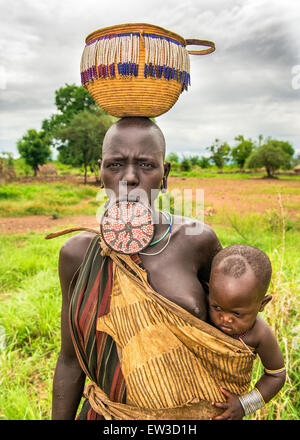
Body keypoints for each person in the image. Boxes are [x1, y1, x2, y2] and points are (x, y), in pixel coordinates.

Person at [51, 117, 223, 420]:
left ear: (164, 174)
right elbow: (69, 361)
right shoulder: (77, 254)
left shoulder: (198, 242)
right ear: (100, 171)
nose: (129, 178)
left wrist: (249, 400)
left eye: (145, 165)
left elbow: (236, 339)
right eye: (115, 164)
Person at [207, 244, 286, 420]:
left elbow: (277, 375)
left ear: (262, 305)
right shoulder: (200, 314)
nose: (225, 318)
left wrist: (244, 406)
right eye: (217, 307)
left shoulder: (259, 334)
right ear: (208, 291)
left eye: (237, 313)